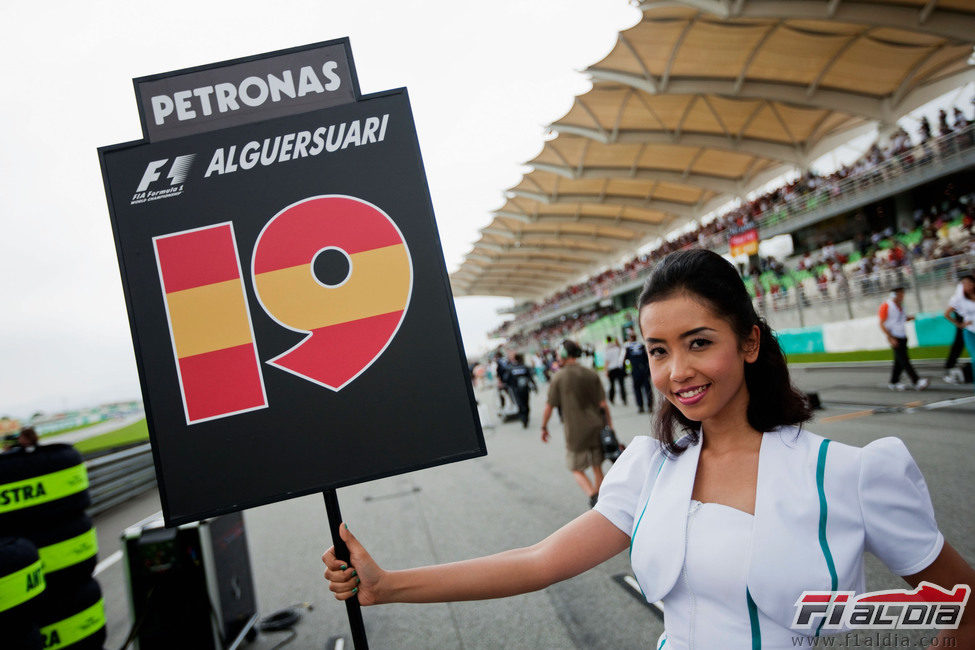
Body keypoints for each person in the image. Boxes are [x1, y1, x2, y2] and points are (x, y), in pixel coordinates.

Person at [323, 250, 975, 648]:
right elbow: (540, 560)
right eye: (658, 351)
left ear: (748, 342)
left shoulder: (849, 475)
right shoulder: (651, 467)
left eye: (698, 342)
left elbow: (964, 608)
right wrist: (389, 586)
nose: (675, 372)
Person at [539, 340, 612, 508]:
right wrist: (610, 427)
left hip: (575, 431)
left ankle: (593, 496)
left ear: (564, 354)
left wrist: (544, 427)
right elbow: (603, 405)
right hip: (597, 427)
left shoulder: (559, 377)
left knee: (575, 467)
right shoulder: (591, 373)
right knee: (597, 466)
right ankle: (600, 499)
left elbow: (549, 407)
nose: (557, 357)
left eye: (558, 354)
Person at [879, 286, 929, 391]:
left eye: (903, 293)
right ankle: (917, 381)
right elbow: (882, 323)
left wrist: (910, 317)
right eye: (900, 294)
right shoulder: (886, 306)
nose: (902, 296)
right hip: (894, 336)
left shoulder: (902, 306)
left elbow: (901, 319)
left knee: (899, 362)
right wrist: (890, 338)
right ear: (894, 294)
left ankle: (894, 382)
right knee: (905, 361)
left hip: (902, 336)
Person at [944, 272, 975, 392]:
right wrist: (960, 324)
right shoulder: (959, 297)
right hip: (970, 331)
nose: (966, 286)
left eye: (969, 283)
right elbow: (946, 314)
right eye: (964, 284)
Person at [504, 353, 536, 428]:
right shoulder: (524, 367)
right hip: (524, 389)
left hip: (517, 390)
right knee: (526, 403)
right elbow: (530, 377)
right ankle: (526, 418)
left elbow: (506, 379)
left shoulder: (510, 368)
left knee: (520, 404)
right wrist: (534, 387)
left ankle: (523, 418)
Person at [624, 330, 653, 413]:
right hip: (644, 370)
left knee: (637, 389)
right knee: (647, 389)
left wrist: (626, 370)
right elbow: (649, 359)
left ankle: (640, 406)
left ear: (630, 338)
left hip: (635, 371)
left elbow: (625, 360)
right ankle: (650, 406)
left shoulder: (629, 348)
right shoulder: (642, 346)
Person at [603, 336, 627, 406]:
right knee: (622, 385)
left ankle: (611, 398)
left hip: (612, 369)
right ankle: (624, 398)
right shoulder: (617, 348)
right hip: (618, 368)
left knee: (612, 385)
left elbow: (607, 362)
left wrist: (606, 371)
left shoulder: (607, 350)